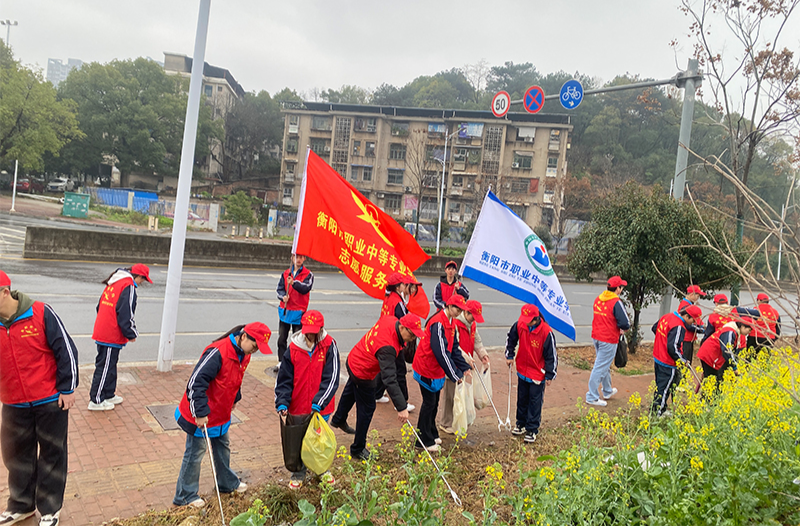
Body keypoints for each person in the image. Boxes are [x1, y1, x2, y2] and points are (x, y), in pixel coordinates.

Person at [0, 270, 79, 526]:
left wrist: (67, 389)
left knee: (52, 455)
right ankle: (21, 505)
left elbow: (66, 350)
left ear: (5, 292)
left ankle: (49, 509)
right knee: (16, 456)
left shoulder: (41, 313)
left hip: (49, 400)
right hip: (13, 403)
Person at [173, 322, 272, 508]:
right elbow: (195, 382)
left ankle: (227, 483)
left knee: (222, 447)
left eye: (259, 348)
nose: (255, 350)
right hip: (200, 414)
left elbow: (235, 378)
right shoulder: (218, 352)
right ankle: (185, 495)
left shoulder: (244, 354)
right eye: (254, 345)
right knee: (196, 453)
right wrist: (200, 413)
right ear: (244, 337)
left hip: (220, 412)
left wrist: (236, 397)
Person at [330, 314, 421, 460]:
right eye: (411, 335)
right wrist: (401, 407)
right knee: (367, 408)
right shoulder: (388, 347)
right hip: (363, 371)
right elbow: (390, 379)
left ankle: (339, 418)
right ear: (402, 327)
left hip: (355, 358)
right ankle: (357, 449)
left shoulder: (391, 320)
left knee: (351, 388)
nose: (412, 340)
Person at [274, 310, 340, 489]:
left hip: (321, 407)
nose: (310, 336)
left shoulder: (329, 345)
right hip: (298, 405)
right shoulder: (293, 349)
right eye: (307, 331)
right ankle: (298, 472)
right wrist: (282, 402)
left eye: (314, 331)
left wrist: (320, 401)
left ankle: (321, 470)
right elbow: (284, 380)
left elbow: (332, 378)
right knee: (299, 440)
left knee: (318, 441)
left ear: (321, 329)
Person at [88, 264, 152, 411]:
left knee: (110, 364)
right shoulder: (128, 286)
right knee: (104, 366)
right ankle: (96, 399)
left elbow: (99, 307)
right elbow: (126, 313)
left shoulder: (115, 281)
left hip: (104, 329)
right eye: (144, 280)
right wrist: (131, 333)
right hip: (111, 333)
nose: (142, 283)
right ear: (139, 276)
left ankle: (108, 393)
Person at [412, 295, 471, 451]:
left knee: (434, 402)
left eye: (460, 310)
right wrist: (454, 374)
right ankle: (422, 440)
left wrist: (464, 367)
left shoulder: (452, 323)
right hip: (427, 366)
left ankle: (431, 433)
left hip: (436, 369)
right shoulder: (438, 323)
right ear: (449, 306)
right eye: (456, 309)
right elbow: (441, 353)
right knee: (429, 403)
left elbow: (454, 348)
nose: (458, 312)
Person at [505, 304, 558, 444]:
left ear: (536, 319)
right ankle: (520, 424)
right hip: (522, 369)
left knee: (535, 402)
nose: (525, 321)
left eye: (528, 319)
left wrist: (550, 374)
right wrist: (509, 354)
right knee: (522, 398)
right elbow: (511, 339)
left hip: (537, 373)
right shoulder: (520, 325)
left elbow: (551, 355)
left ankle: (532, 429)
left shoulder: (546, 332)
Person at [437, 299, 489, 434]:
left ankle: (459, 419)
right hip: (454, 362)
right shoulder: (456, 324)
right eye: (472, 316)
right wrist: (467, 359)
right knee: (450, 393)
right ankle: (445, 422)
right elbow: (456, 348)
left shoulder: (472, 325)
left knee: (461, 392)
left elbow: (477, 340)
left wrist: (482, 354)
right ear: (466, 312)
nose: (473, 320)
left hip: (465, 364)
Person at [375, 273, 417, 412]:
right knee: (399, 370)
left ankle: (377, 393)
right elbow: (404, 321)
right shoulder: (397, 302)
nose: (406, 286)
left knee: (385, 368)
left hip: (384, 335)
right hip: (394, 339)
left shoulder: (389, 298)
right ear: (398, 287)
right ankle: (402, 402)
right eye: (404, 284)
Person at [586, 276, 630, 407]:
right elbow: (625, 323)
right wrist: (622, 329)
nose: (621, 289)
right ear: (617, 289)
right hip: (609, 339)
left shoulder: (599, 298)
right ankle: (592, 396)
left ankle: (607, 391)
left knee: (603, 364)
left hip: (597, 336)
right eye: (621, 287)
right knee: (600, 367)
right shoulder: (616, 302)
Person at [651, 305, 701, 416]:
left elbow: (655, 328)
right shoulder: (679, 326)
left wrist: (662, 341)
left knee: (660, 385)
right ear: (687, 316)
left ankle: (660, 408)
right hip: (667, 361)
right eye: (693, 320)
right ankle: (657, 413)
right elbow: (673, 348)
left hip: (658, 355)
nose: (693, 323)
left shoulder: (667, 316)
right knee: (664, 388)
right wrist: (683, 360)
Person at [274, 253, 314, 373]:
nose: (299, 260)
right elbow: (279, 289)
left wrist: (294, 283)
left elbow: (306, 287)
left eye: (301, 257)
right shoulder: (286, 273)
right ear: (292, 258)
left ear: (304, 259)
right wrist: (283, 297)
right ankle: (281, 361)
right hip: (285, 310)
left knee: (297, 340)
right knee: (282, 338)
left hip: (299, 312)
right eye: (296, 257)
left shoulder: (308, 274)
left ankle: (296, 362)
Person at [697, 313, 756, 387]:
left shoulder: (734, 331)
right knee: (712, 382)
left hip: (712, 355)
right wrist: (734, 367)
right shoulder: (730, 331)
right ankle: (707, 398)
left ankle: (707, 397)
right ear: (743, 326)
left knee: (714, 381)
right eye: (749, 330)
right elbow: (726, 349)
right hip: (710, 356)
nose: (749, 333)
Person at [677, 285, 706, 363]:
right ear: (691, 294)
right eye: (697, 295)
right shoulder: (685, 306)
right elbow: (688, 325)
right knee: (685, 362)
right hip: (686, 338)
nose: (698, 297)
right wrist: (702, 330)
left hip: (689, 338)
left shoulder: (689, 304)